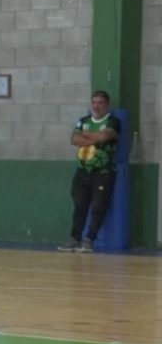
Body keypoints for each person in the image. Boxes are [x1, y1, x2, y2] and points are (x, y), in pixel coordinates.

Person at [57, 90, 121, 254]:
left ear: (107, 105)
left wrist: (85, 136)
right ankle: (74, 238)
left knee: (98, 206)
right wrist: (95, 136)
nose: (96, 106)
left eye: (100, 102)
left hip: (103, 172)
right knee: (79, 206)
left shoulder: (113, 121)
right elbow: (74, 139)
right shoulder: (83, 120)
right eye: (94, 102)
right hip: (82, 171)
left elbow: (104, 137)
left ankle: (89, 240)